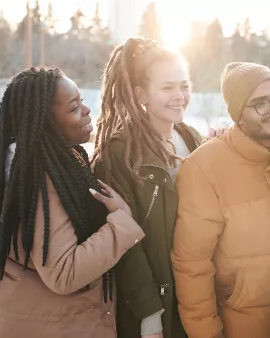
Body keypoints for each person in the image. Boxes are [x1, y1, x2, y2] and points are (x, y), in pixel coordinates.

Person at [0, 67, 144, 338]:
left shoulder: (46, 165)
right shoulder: (41, 179)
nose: (86, 110)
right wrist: (121, 223)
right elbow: (63, 273)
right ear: (46, 123)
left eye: (81, 101)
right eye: (73, 108)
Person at [171, 62, 270, 338]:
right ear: (238, 116)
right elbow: (192, 264)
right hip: (242, 323)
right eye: (260, 103)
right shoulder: (204, 167)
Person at [91, 37, 202, 338]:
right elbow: (122, 239)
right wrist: (149, 313)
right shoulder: (119, 152)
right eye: (167, 87)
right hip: (154, 305)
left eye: (184, 85)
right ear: (142, 94)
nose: (179, 96)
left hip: (195, 293)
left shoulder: (192, 138)